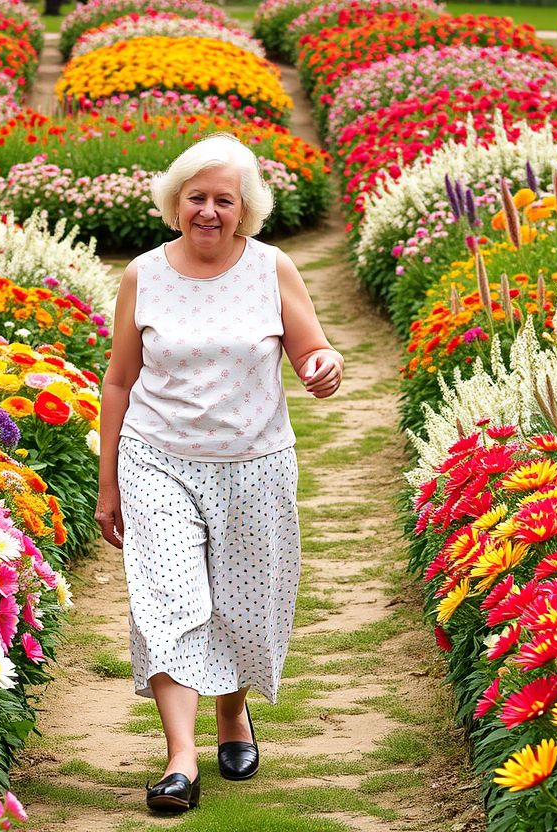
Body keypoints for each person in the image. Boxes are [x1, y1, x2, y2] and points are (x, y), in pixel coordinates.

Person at [95, 133, 344, 814]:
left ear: (245, 210)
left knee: (242, 604)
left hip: (254, 465)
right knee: (169, 600)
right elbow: (119, 381)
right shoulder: (143, 274)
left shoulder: (272, 270)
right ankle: (181, 759)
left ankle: (233, 712)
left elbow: (312, 350)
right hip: (156, 459)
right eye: (196, 198)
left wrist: (324, 369)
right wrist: (108, 481)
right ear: (175, 205)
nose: (209, 210)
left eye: (223, 200)